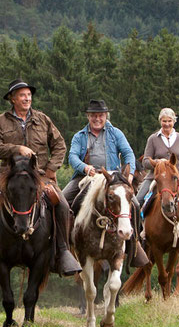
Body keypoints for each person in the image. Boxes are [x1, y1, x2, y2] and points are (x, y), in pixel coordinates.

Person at [0, 79, 82, 277]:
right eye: (22, 95)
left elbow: (60, 145)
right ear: (12, 99)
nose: (27, 98)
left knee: (63, 206)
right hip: (7, 175)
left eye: (29, 95)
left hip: (39, 175)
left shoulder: (43, 119)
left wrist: (51, 168)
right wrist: (17, 149)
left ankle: (63, 251)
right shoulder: (0, 121)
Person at [63, 99, 149, 268]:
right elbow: (72, 157)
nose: (97, 119)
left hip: (112, 179)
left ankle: (134, 245)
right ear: (88, 116)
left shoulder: (115, 133)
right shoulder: (79, 136)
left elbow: (128, 153)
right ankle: (64, 247)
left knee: (136, 205)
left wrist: (130, 174)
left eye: (100, 115)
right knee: (63, 202)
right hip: (86, 177)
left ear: (105, 116)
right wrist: (85, 167)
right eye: (94, 115)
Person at [136, 107, 179, 260]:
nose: (166, 124)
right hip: (156, 177)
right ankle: (137, 239)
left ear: (174, 121)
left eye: (169, 121)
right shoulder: (153, 139)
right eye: (164, 121)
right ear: (160, 122)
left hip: (178, 176)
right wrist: (156, 163)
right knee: (137, 201)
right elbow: (146, 161)